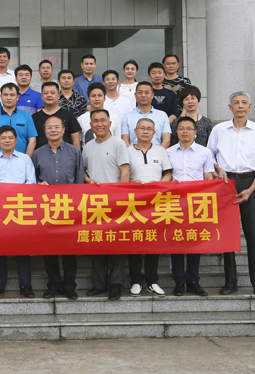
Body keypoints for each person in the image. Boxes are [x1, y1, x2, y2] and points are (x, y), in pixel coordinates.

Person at [207, 91, 255, 298]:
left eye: (244, 103)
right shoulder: (219, 130)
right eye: (236, 103)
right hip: (226, 184)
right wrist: (218, 169)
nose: (240, 106)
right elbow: (208, 155)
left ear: (250, 107)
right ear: (230, 107)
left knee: (253, 236)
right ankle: (230, 282)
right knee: (228, 237)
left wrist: (251, 189)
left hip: (252, 183)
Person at [32, 116, 84, 300]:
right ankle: (53, 285)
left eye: (56, 127)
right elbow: (32, 180)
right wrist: (38, 185)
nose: (53, 130)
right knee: (49, 250)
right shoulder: (37, 154)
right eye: (49, 127)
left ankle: (69, 286)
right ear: (44, 131)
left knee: (69, 250)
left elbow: (79, 180)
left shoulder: (75, 152)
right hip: (46, 208)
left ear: (63, 130)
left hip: (70, 207)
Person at [83, 109, 130, 301]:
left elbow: (125, 171)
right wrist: (87, 180)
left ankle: (116, 284)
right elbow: (83, 170)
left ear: (110, 124)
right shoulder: (87, 146)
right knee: (97, 243)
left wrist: (122, 199)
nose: (99, 124)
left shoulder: (118, 144)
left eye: (103, 120)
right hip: (95, 204)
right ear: (91, 125)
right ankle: (99, 284)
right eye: (95, 121)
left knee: (116, 245)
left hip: (116, 202)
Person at [0, 126, 36, 298]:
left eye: (10, 138)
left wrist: (14, 197)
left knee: (23, 249)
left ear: (16, 140)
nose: (7, 140)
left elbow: (31, 183)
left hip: (20, 208)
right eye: (3, 138)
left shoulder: (25, 159)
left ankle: (26, 285)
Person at [166, 116, 216, 297]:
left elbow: (208, 177)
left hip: (197, 202)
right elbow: (165, 176)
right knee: (177, 240)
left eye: (188, 128)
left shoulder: (205, 152)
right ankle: (179, 281)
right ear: (176, 131)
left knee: (195, 240)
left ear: (195, 132)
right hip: (175, 202)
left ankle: (193, 280)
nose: (185, 131)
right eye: (181, 128)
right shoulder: (168, 152)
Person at [126, 118, 172, 297]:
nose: (145, 131)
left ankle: (152, 281)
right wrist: (131, 183)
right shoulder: (127, 151)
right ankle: (136, 281)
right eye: (142, 128)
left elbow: (168, 173)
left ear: (154, 133)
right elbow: (122, 175)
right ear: (135, 131)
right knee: (135, 241)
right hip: (134, 203)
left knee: (154, 241)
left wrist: (159, 184)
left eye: (149, 129)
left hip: (156, 202)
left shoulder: (160, 151)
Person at [0, 83, 37, 158]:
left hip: (21, 161)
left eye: (12, 95)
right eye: (5, 95)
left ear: (17, 97)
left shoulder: (26, 116)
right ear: (1, 97)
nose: (8, 98)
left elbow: (32, 140)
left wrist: (26, 160)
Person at [121, 81, 171, 148]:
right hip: (133, 153)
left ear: (152, 95)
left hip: (157, 152)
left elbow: (166, 140)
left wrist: (158, 152)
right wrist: (133, 153)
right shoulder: (127, 117)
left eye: (147, 92)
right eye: (140, 92)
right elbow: (125, 141)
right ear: (135, 95)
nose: (143, 95)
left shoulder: (162, 115)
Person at [32, 82, 81, 150]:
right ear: (41, 96)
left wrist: (76, 155)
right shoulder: (34, 117)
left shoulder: (68, 115)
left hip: (65, 155)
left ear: (58, 96)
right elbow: (32, 141)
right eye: (46, 93)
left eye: (52, 93)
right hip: (41, 155)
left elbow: (75, 139)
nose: (49, 95)